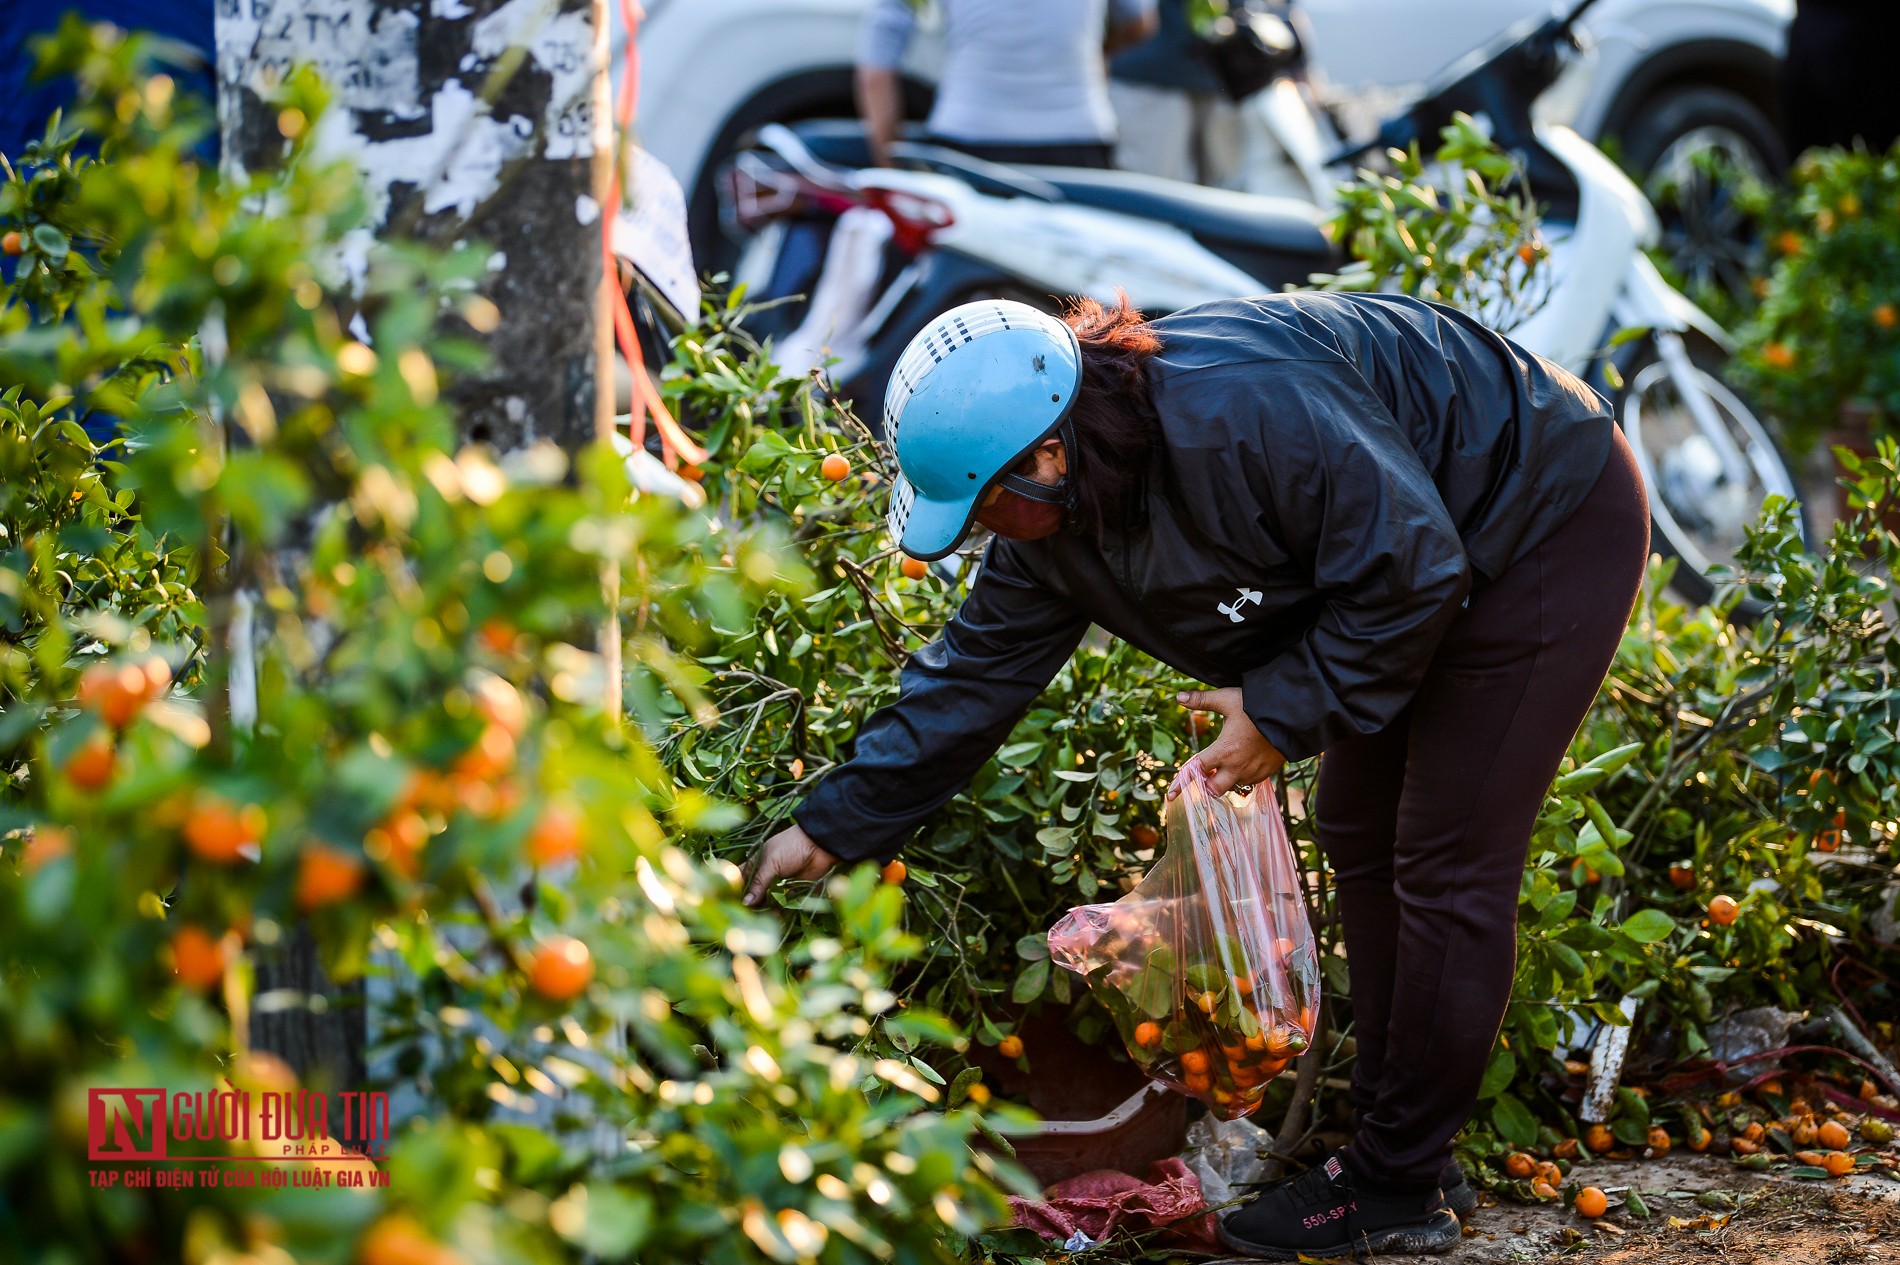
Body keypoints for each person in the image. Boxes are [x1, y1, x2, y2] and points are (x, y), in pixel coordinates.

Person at [744, 291, 1650, 1257]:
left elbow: (1414, 566)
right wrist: (832, 825)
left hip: (1539, 514)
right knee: (1357, 827)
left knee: (1445, 855)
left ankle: (1394, 1187)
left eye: (988, 506)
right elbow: (970, 676)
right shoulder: (1058, 516)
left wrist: (1282, 709)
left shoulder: (1237, 414)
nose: (985, 534)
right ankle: (1410, 1153)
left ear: (1046, 455)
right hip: (1414, 554)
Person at [856, 0, 1159, 171]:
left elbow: (875, 72)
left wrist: (889, 169)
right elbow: (1141, 20)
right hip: (1076, 141)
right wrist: (1095, 51)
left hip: (967, 141)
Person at [1109, 0, 1242, 187]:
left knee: (1220, 189)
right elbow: (1137, 20)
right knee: (1149, 189)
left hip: (1219, 78)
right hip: (1148, 79)